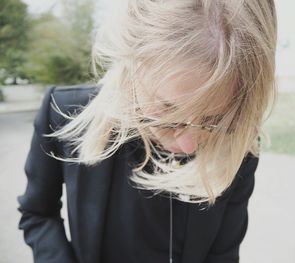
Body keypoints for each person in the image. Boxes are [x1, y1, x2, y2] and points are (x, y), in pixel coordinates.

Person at [17, 0, 277, 262]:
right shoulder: (65, 112)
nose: (188, 145)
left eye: (215, 119)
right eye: (168, 111)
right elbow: (37, 213)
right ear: (130, 63)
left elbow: (223, 255)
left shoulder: (237, 142)